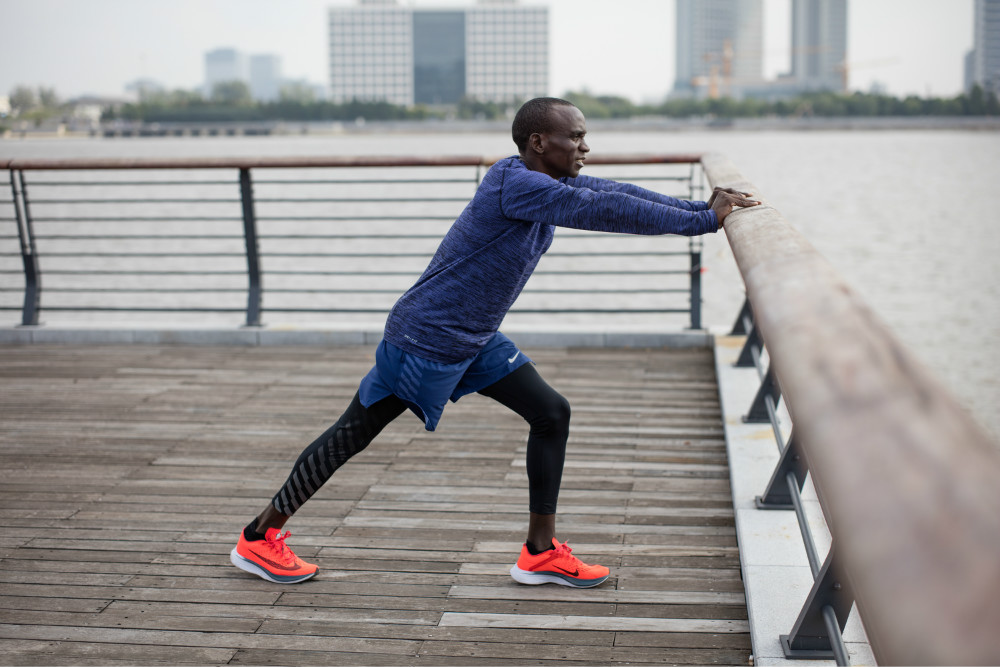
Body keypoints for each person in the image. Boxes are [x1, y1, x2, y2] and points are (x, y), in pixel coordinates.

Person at [230, 97, 759, 587]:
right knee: (353, 434)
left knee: (551, 412)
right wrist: (702, 224)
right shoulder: (523, 187)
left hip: (473, 337)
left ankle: (540, 552)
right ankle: (258, 537)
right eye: (576, 137)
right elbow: (605, 212)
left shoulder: (533, 177)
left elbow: (613, 193)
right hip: (425, 339)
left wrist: (702, 209)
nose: (585, 146)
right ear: (538, 143)